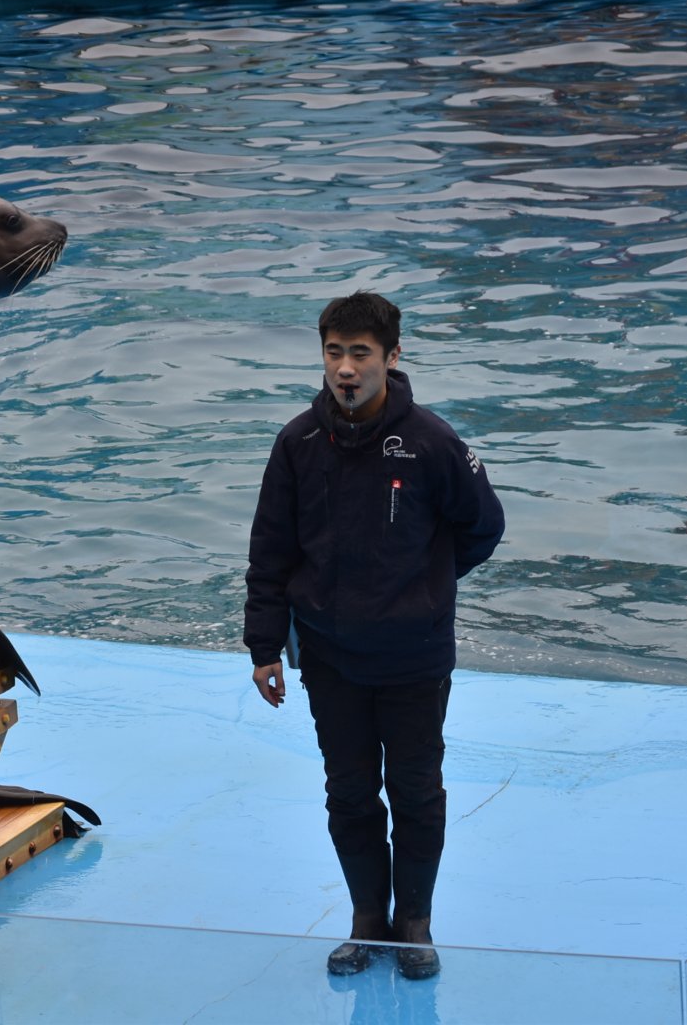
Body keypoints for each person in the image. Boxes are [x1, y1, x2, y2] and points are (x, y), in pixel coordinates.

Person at [244, 290, 505, 980]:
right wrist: (264, 646)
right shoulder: (298, 441)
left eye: (360, 354)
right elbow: (269, 551)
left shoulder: (431, 442)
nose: (344, 369)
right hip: (329, 657)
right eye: (334, 353)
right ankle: (367, 919)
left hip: (413, 658)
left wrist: (428, 586)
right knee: (349, 793)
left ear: (392, 357)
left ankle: (412, 924)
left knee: (416, 792)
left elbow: (483, 527)